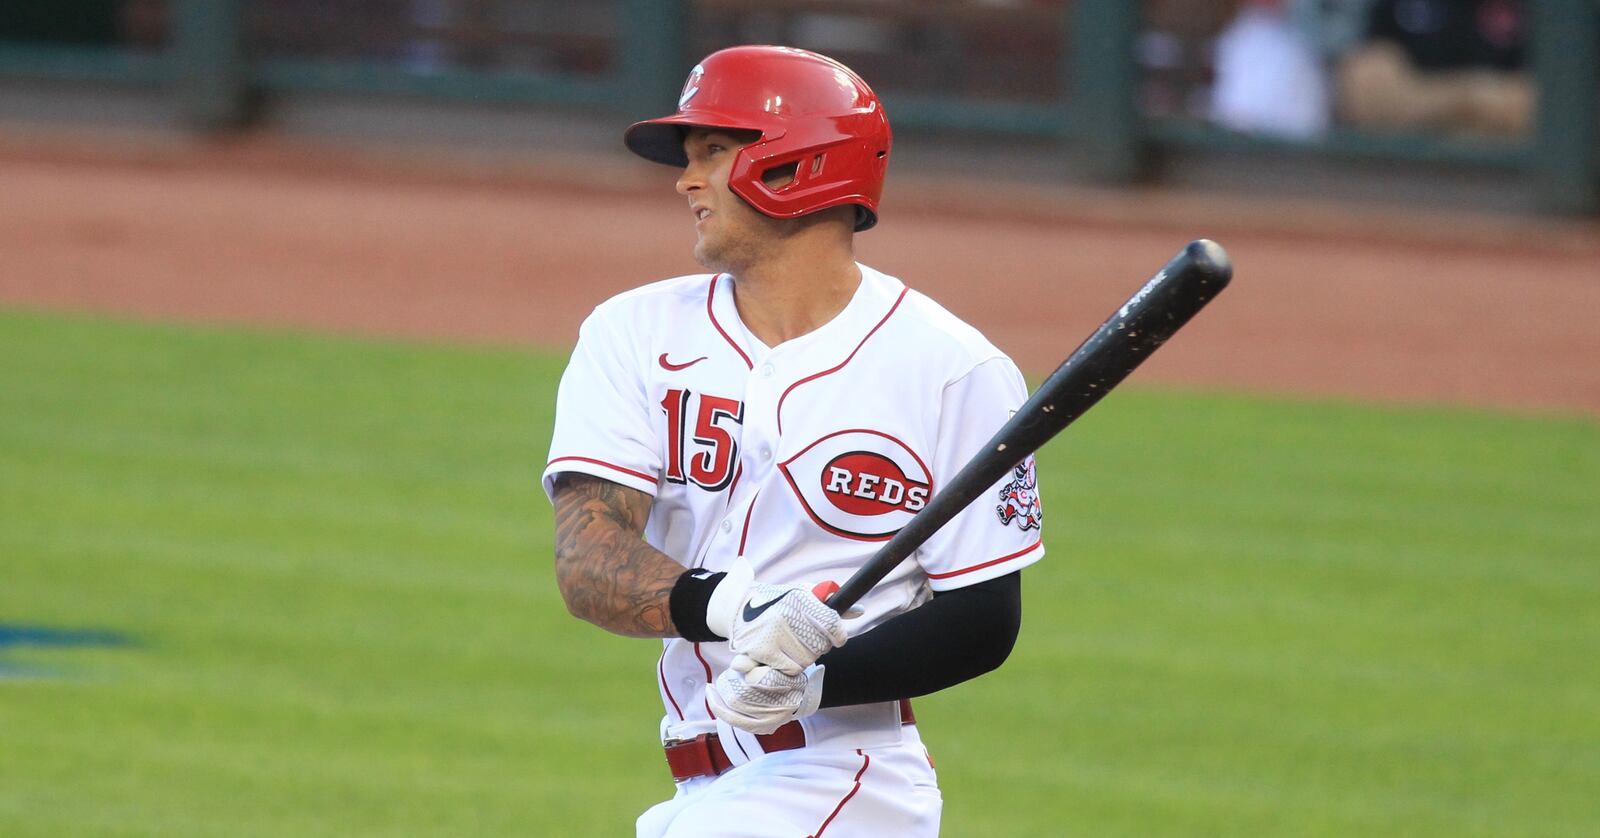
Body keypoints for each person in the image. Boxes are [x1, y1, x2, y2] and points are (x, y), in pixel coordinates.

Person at [542, 45, 1044, 837]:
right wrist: (740, 609)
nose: (685, 180)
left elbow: (980, 621)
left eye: (712, 151)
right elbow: (586, 561)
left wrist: (814, 684)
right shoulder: (634, 333)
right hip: (701, 790)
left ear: (797, 164)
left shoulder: (953, 370)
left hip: (845, 780)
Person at [1335, 0, 1532, 138]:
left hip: (1505, 175)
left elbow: (1539, 102)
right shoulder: (1397, 6)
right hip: (1403, 170)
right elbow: (1368, 88)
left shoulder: (1529, 9)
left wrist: (1423, 101)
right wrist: (1474, 101)